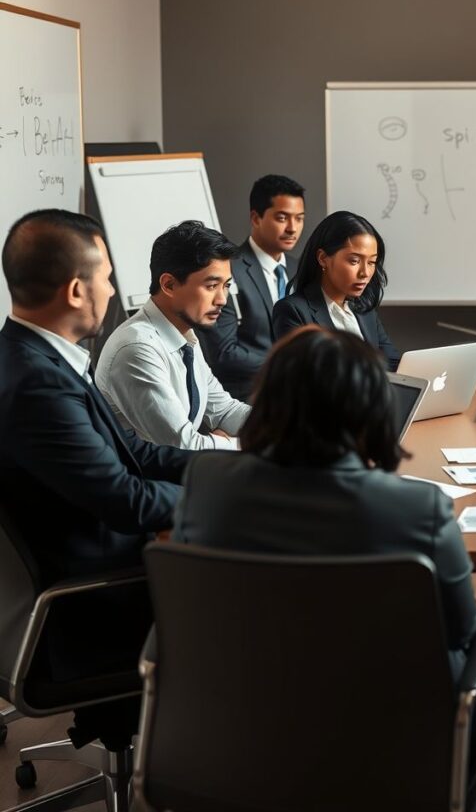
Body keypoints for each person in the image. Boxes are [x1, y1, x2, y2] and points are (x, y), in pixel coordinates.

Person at [172, 325, 476, 766]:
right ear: (368, 408)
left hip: (243, 740)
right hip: (390, 747)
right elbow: (464, 631)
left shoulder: (206, 483)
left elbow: (193, 608)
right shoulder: (418, 507)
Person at [0, 210, 188, 744]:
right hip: (85, 606)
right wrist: (234, 496)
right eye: (107, 275)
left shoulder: (34, 357)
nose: (113, 287)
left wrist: (245, 467)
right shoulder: (37, 384)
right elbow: (125, 499)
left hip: (77, 573)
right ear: (78, 290)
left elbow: (138, 455)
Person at [96, 221, 251, 450]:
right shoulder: (137, 347)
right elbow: (183, 445)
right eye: (211, 286)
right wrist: (242, 443)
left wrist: (287, 429)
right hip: (147, 482)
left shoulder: (185, 337)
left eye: (226, 286)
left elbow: (224, 410)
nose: (222, 300)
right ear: (168, 284)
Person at [199, 174, 306, 400]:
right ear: (256, 218)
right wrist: (290, 366)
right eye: (282, 218)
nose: (292, 228)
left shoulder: (301, 271)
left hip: (298, 398)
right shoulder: (227, 272)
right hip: (246, 398)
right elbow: (224, 353)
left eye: (299, 219)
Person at [272, 210, 400, 370]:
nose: (365, 273)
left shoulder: (364, 309)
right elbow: (305, 378)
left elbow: (393, 363)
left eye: (372, 262)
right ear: (323, 258)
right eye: (354, 261)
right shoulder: (293, 310)